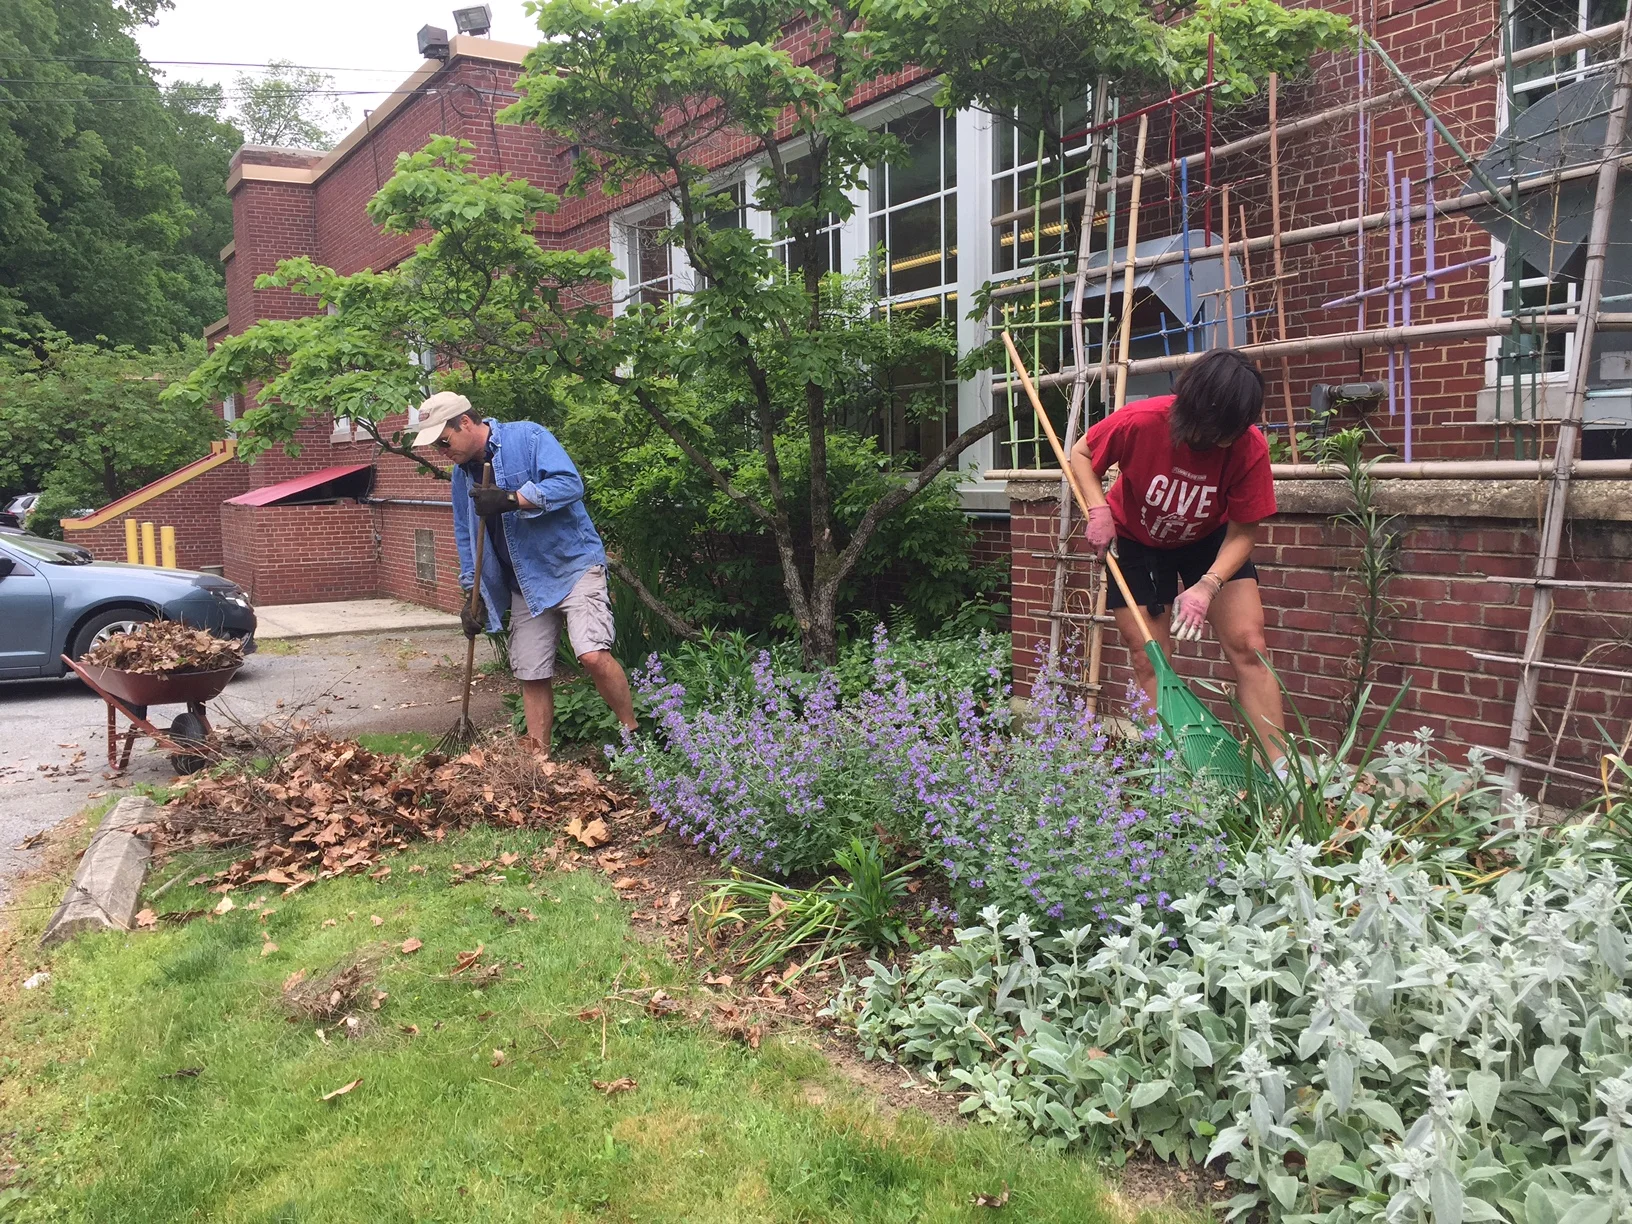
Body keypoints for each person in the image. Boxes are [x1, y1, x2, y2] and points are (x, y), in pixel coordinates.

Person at [1068, 349, 1285, 756]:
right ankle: (1182, 767)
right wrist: (1099, 509)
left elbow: (1243, 532)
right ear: (1191, 406)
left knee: (1249, 644)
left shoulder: (1248, 446)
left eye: (1230, 432)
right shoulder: (1143, 420)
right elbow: (1080, 453)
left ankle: (1281, 772)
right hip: (1136, 539)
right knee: (1150, 658)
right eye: (1213, 431)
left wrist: (1208, 585)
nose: (1220, 441)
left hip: (1211, 540)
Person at [413, 391, 637, 753]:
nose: (441, 452)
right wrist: (474, 598)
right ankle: (538, 765)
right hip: (525, 584)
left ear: (466, 423)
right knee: (531, 671)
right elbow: (465, 534)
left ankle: (633, 734)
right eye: (436, 447)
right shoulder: (461, 477)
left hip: (571, 566)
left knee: (592, 655)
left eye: (443, 441)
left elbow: (569, 483)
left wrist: (512, 499)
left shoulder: (528, 438)